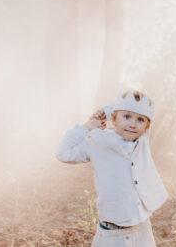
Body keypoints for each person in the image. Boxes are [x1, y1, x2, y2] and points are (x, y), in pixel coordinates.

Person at [56, 90, 167, 247]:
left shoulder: (142, 141)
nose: (133, 124)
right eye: (127, 116)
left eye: (140, 120)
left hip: (142, 231)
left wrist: (122, 110)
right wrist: (90, 124)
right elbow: (63, 153)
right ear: (114, 119)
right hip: (111, 235)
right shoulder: (97, 140)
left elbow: (146, 112)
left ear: (146, 126)